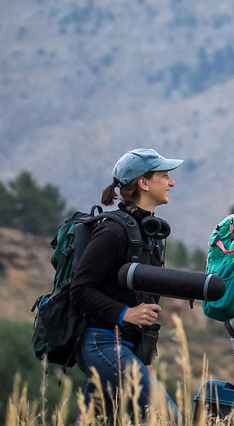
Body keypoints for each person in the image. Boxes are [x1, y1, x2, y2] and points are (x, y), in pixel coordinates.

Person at [67, 148, 183, 423]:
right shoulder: (113, 230)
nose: (172, 183)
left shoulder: (147, 234)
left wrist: (145, 359)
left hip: (127, 347)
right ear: (143, 183)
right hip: (102, 342)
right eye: (165, 176)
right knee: (168, 418)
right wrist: (125, 314)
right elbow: (80, 289)